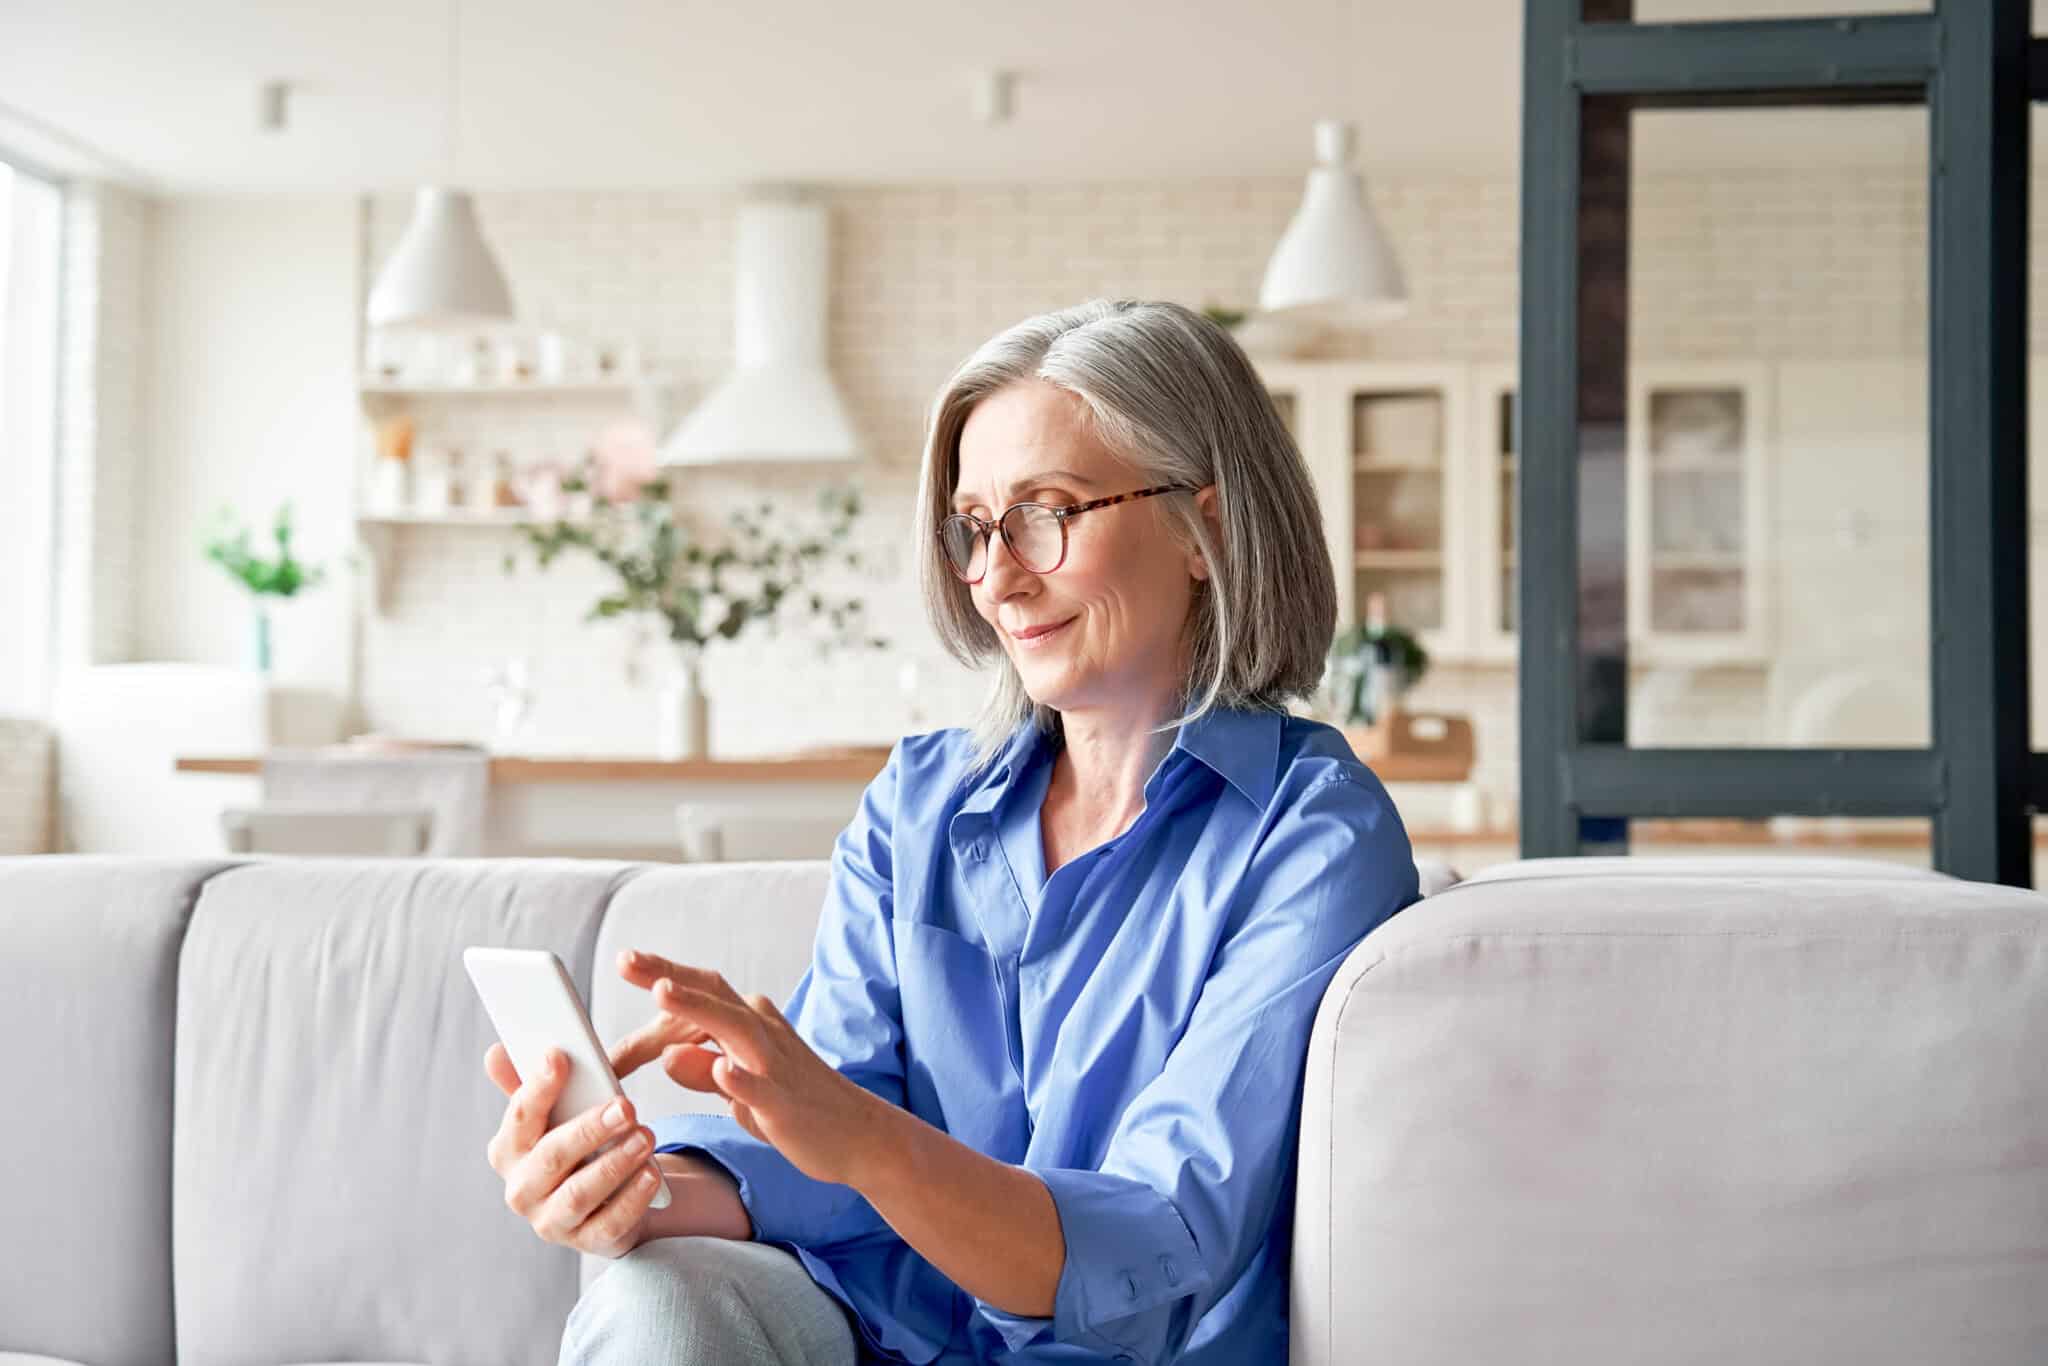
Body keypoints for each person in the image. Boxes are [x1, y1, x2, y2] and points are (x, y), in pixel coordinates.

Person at [483, 298, 1421, 1365]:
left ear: (1200, 529)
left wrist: (857, 1137)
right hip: (881, 1338)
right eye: (975, 526)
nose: (995, 575)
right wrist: (630, 1189)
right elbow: (825, 1154)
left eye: (1044, 512)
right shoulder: (918, 802)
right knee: (652, 1295)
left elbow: (1160, 1243)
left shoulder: (1309, 835)